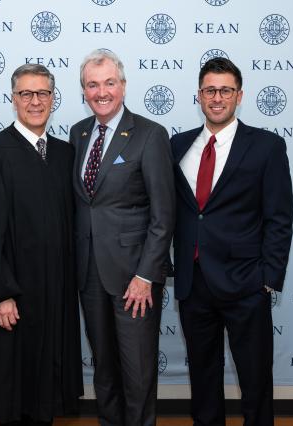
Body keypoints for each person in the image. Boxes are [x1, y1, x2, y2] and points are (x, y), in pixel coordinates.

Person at [171, 57, 293, 426]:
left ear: (240, 95)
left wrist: (268, 280)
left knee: (255, 381)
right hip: (194, 285)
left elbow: (279, 218)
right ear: (199, 96)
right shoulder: (177, 145)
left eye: (225, 90)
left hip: (246, 285)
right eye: (210, 90)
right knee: (203, 379)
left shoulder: (267, 146)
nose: (217, 97)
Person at [0, 63, 83, 426]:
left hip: (55, 295)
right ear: (12, 99)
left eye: (42, 93)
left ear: (53, 99)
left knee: (47, 395)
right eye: (25, 93)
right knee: (12, 394)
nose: (34, 101)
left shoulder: (64, 154)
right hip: (12, 294)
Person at [70, 49, 175, 426]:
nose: (102, 92)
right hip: (90, 273)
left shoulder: (150, 134)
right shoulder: (79, 133)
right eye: (93, 84)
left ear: (124, 86)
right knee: (105, 369)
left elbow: (164, 215)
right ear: (83, 90)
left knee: (138, 370)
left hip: (134, 278)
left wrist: (146, 275)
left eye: (109, 83)